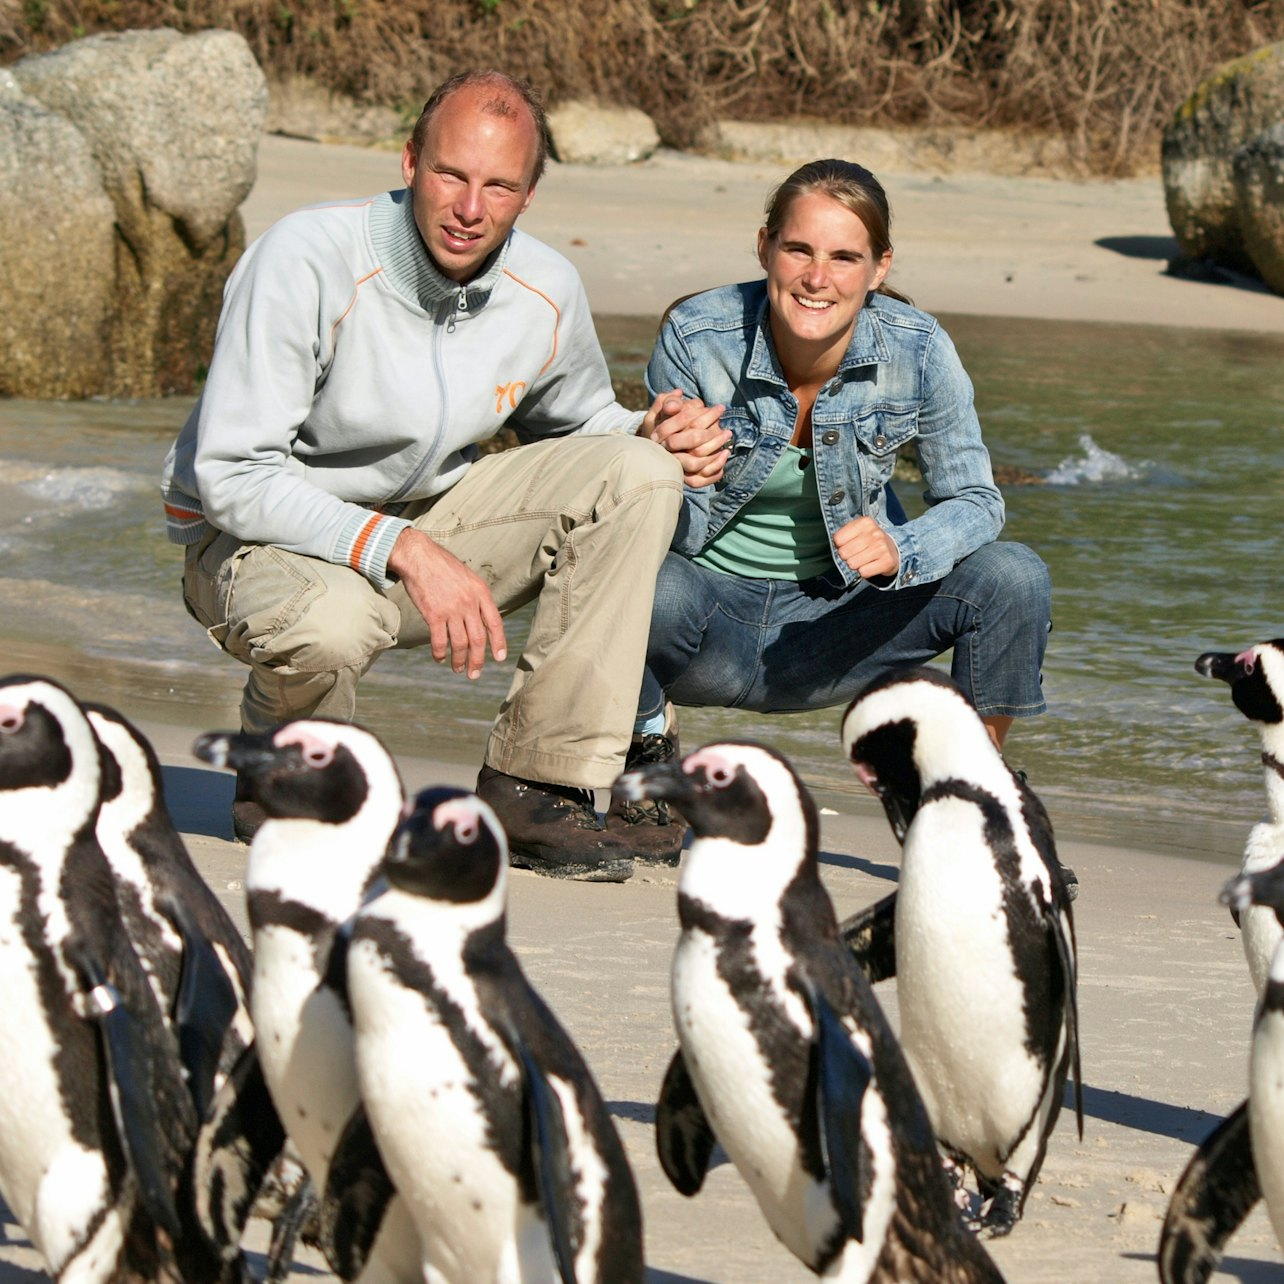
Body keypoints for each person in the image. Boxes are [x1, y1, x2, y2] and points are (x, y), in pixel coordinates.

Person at [161, 69, 727, 882]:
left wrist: (651, 430)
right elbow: (233, 476)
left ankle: (536, 785)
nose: (469, 208)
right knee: (331, 623)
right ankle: (286, 758)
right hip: (253, 543)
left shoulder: (546, 288)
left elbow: (578, 424)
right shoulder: (303, 259)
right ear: (409, 162)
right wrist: (405, 549)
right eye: (450, 174)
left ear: (528, 195)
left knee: (638, 474)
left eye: (498, 186)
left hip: (422, 524)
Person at [608, 158, 1053, 860]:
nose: (818, 278)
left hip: (836, 627)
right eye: (799, 250)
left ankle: (971, 799)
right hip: (703, 625)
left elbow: (976, 500)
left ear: (879, 268)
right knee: (628, 571)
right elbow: (662, 525)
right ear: (765, 248)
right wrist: (662, 461)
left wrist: (902, 548)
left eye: (845, 257)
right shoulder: (697, 335)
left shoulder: (919, 349)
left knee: (1013, 576)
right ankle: (646, 746)